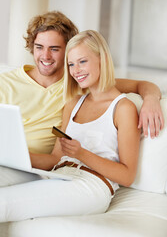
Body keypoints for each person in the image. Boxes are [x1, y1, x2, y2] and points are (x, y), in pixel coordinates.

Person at [0, 11, 164, 185]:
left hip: (30, 169)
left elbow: (143, 85)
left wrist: (151, 101)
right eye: (39, 47)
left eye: (54, 49)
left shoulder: (79, 82)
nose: (45, 56)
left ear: (68, 51)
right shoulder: (5, 82)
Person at [0, 30, 141, 222]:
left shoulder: (123, 108)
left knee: (4, 203)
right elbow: (55, 158)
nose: (76, 70)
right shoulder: (74, 103)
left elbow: (127, 176)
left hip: (92, 185)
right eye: (71, 64)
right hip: (60, 175)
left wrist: (81, 153)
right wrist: (11, 156)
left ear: (102, 59)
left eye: (82, 61)